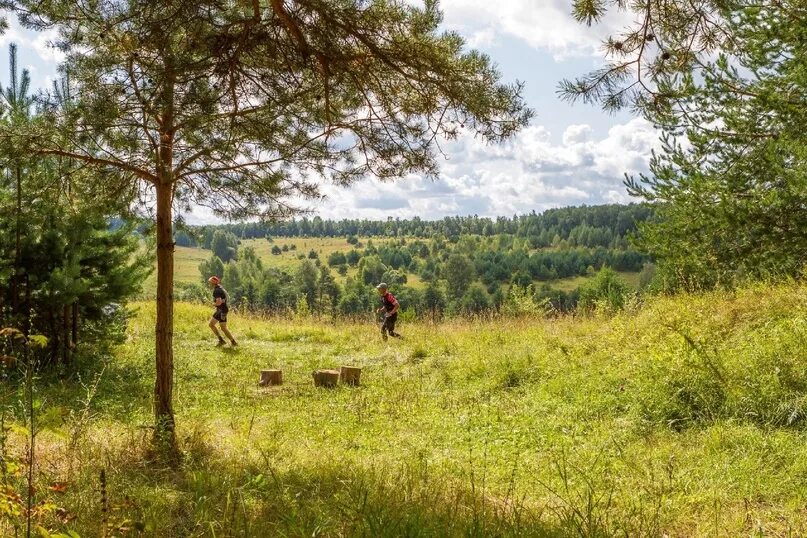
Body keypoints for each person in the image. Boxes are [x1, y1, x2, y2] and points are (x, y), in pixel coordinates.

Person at [207, 276, 237, 347]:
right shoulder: (220, 288)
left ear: (213, 283)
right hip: (224, 310)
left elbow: (219, 302)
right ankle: (233, 342)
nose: (209, 284)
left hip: (220, 310)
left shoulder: (216, 291)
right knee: (223, 328)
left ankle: (221, 340)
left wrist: (213, 304)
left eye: (210, 282)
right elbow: (225, 299)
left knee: (211, 325)